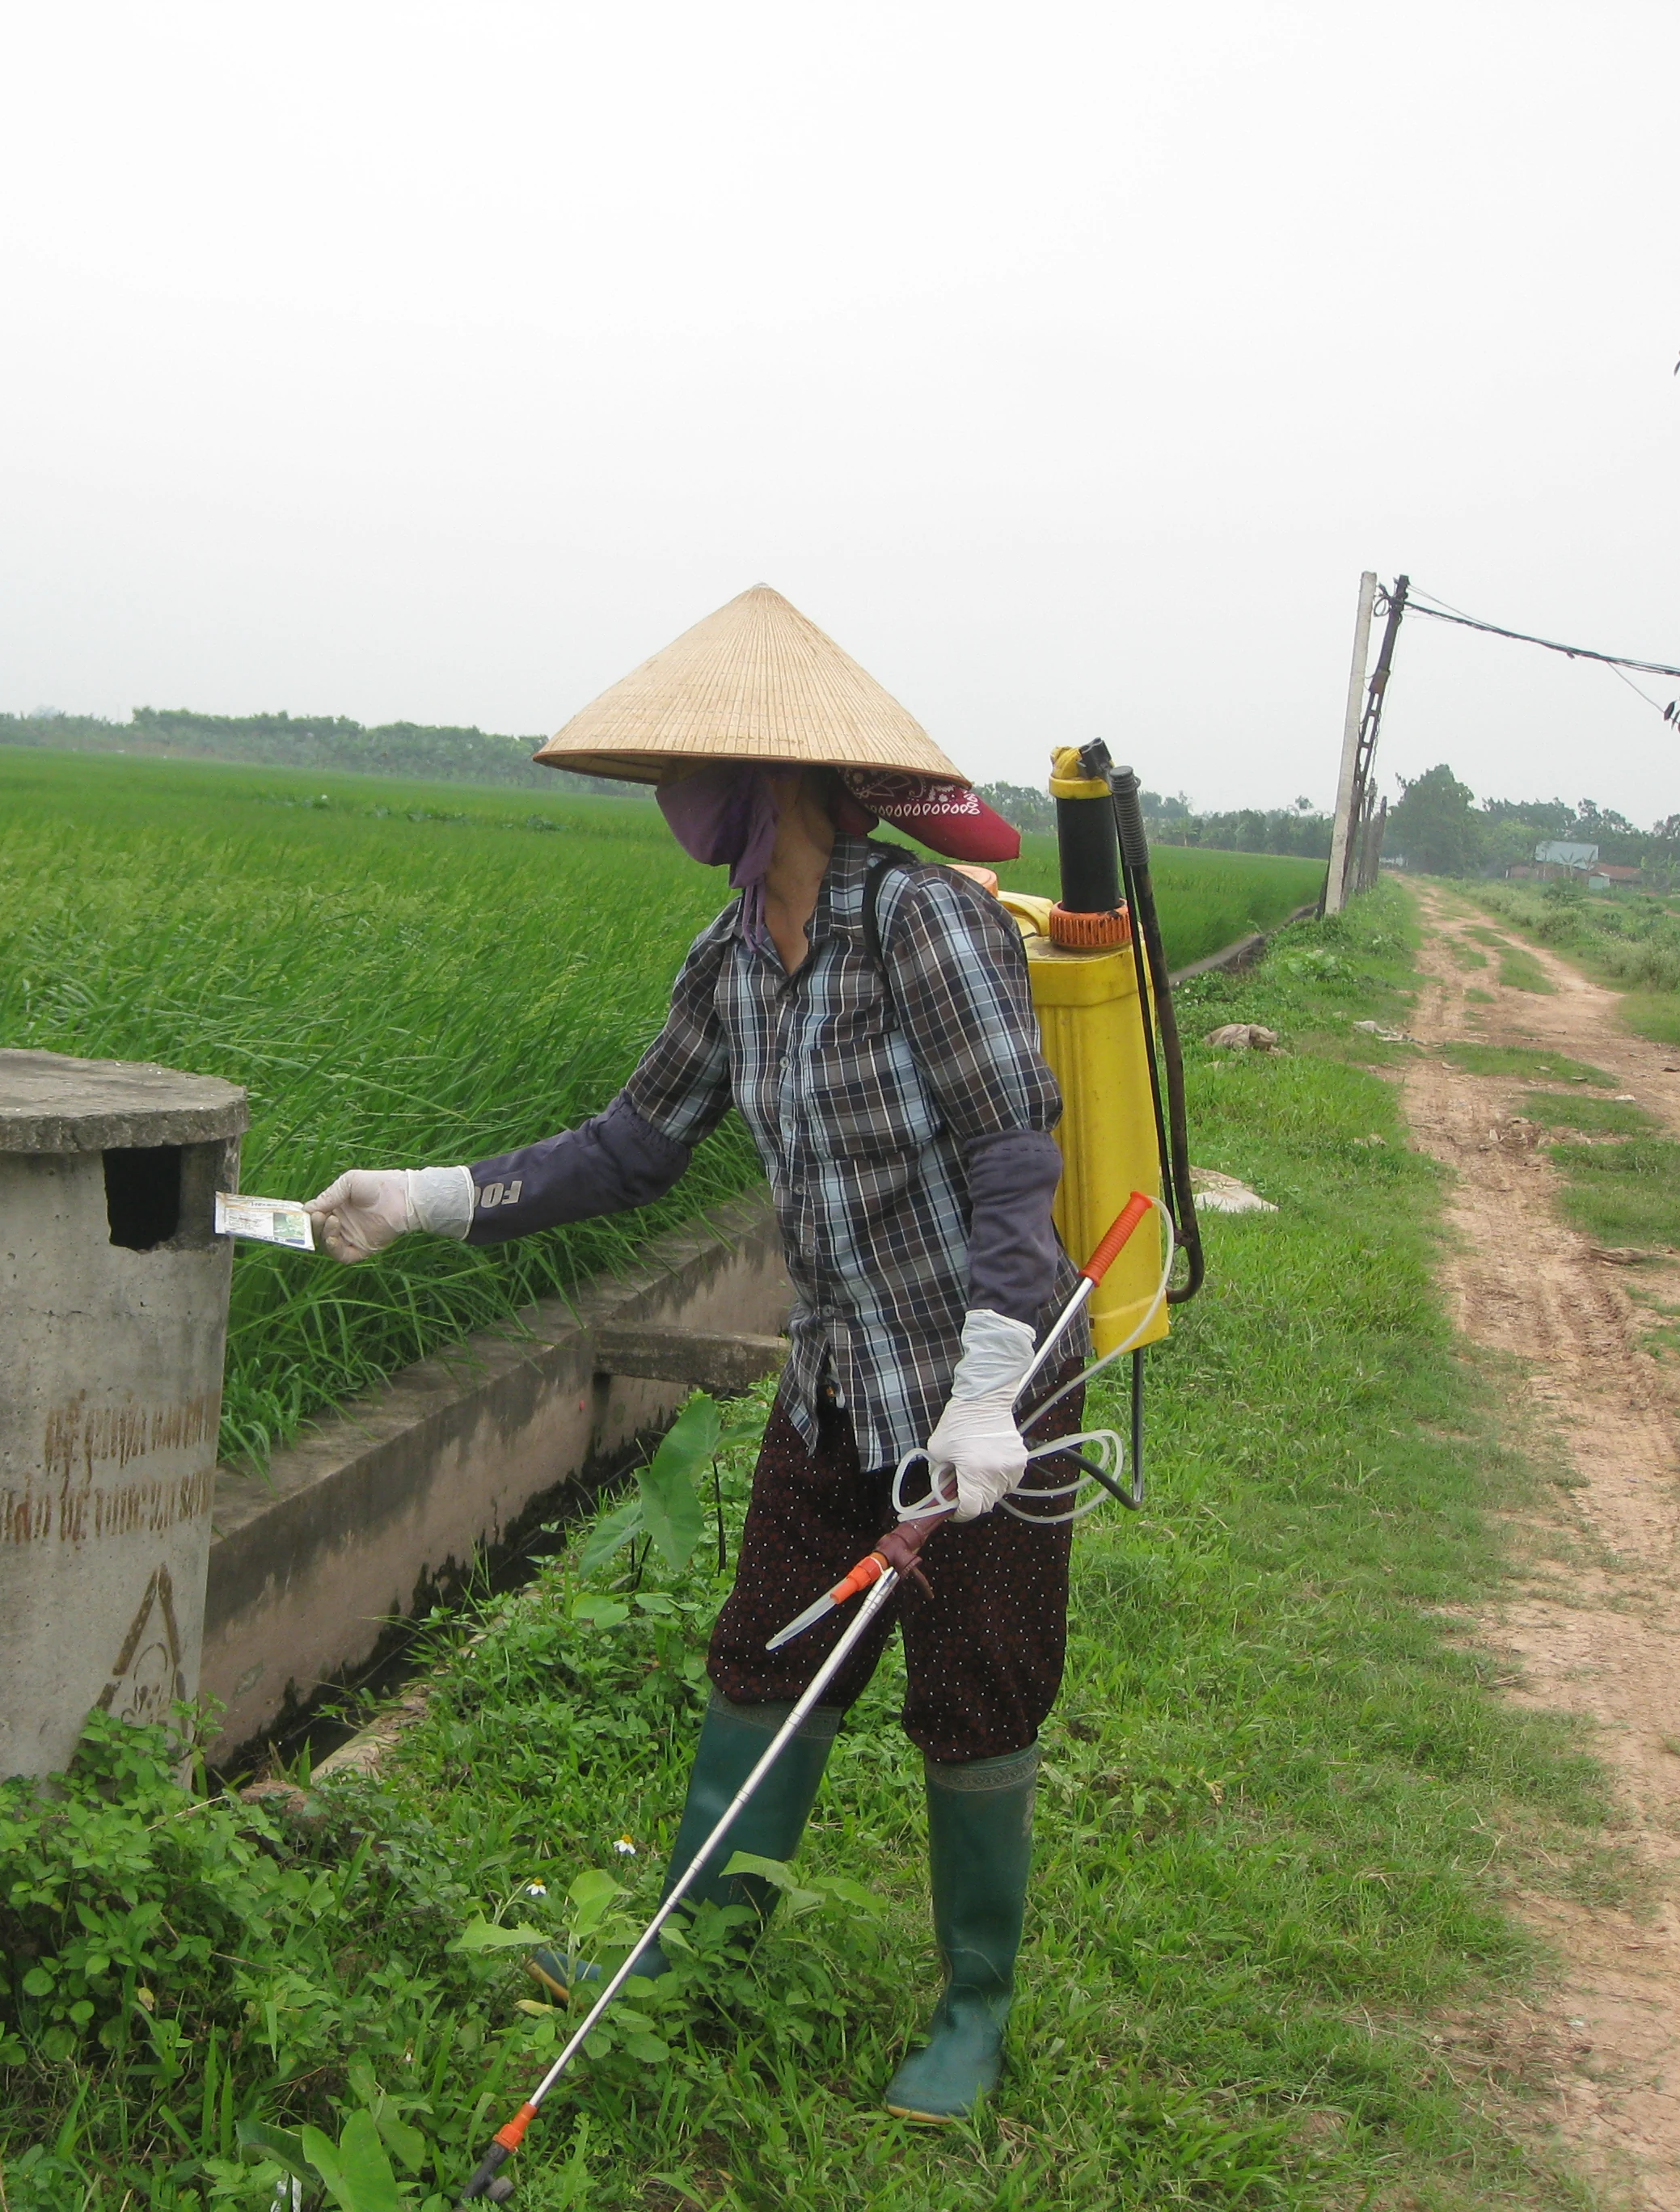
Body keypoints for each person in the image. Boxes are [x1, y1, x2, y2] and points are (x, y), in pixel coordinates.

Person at [305, 585, 1083, 2121]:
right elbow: (631, 1148)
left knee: (977, 1691)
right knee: (764, 1655)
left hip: (982, 1390)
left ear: (767, 777)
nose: (669, 794)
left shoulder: (922, 924)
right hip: (840, 1382)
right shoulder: (730, 959)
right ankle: (691, 1958)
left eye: (686, 768)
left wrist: (992, 1390)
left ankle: (974, 2011)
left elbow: (1014, 1159)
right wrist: (430, 1199)